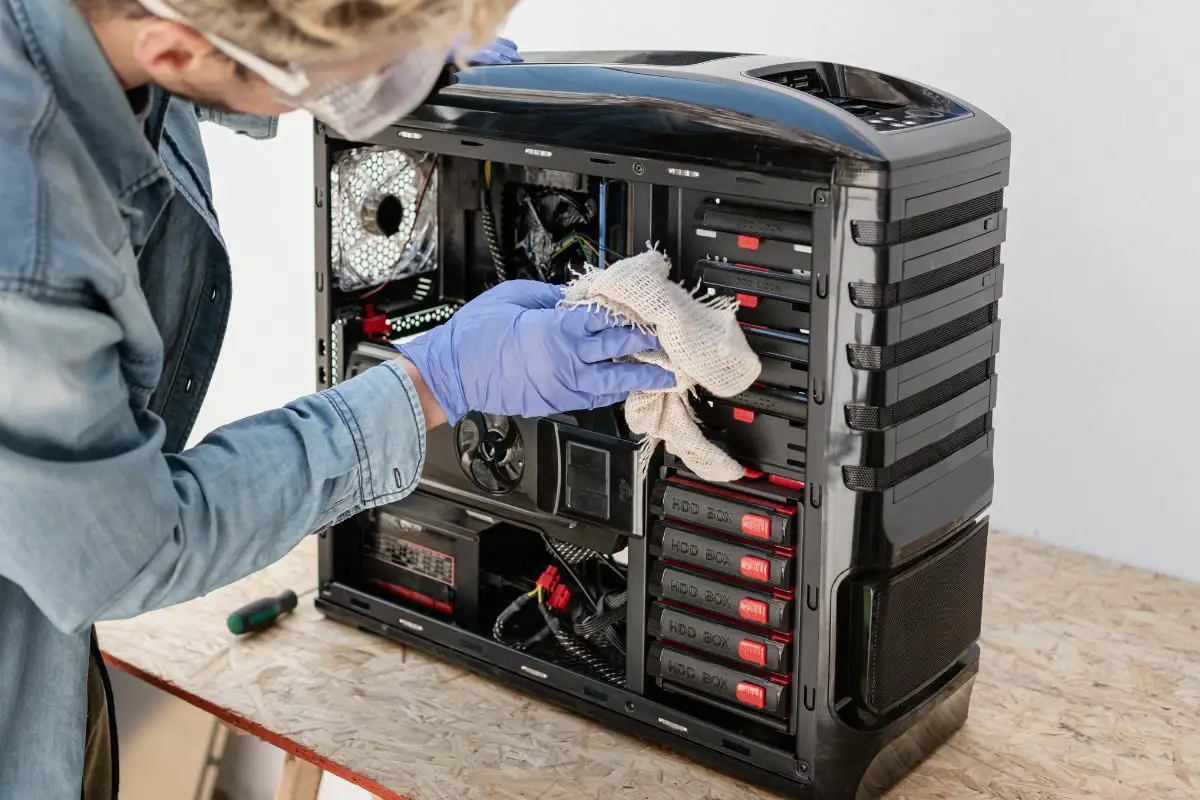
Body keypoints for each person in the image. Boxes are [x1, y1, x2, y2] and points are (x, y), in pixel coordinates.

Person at [0, 0, 675, 796]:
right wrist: (433, 382)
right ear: (176, 51)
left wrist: (395, 46)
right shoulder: (28, 237)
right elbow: (127, 550)